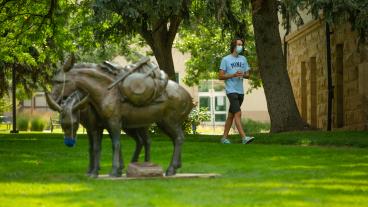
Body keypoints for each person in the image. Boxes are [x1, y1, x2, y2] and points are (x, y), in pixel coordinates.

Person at [218, 38, 254, 144]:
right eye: (239, 44)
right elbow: (220, 76)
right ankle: (244, 138)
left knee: (231, 115)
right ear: (233, 46)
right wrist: (233, 75)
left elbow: (248, 75)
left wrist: (243, 74)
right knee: (238, 113)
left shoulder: (243, 59)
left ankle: (224, 138)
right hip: (231, 90)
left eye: (241, 45)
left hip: (240, 91)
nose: (241, 46)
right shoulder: (226, 60)